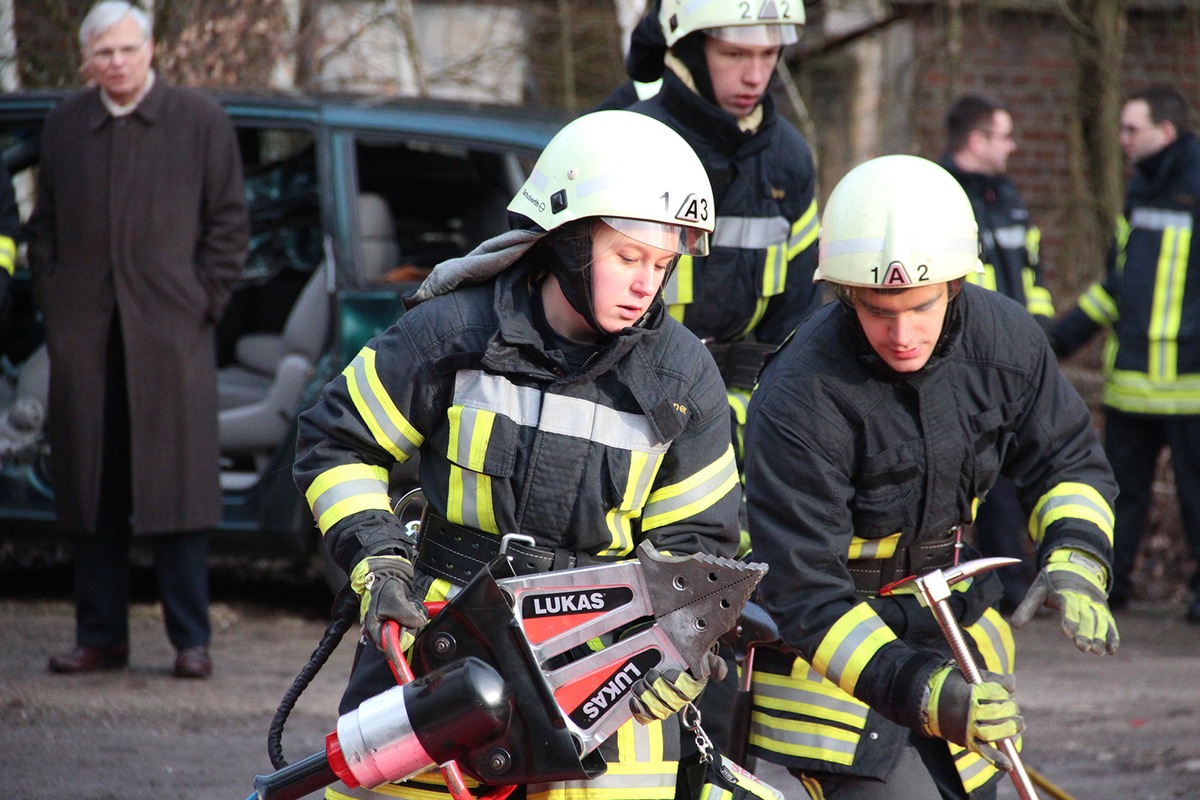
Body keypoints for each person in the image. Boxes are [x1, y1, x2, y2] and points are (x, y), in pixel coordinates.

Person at [293, 109, 741, 800]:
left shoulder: (683, 381)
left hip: (609, 702)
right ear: (566, 240)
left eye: (662, 262)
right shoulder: (453, 333)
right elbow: (338, 442)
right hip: (445, 664)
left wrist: (682, 644)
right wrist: (379, 557)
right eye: (628, 257)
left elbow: (699, 549)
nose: (646, 284)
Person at [743, 155, 1120, 799]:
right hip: (838, 676)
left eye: (920, 307)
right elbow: (804, 589)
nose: (901, 334)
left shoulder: (1006, 342)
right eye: (877, 310)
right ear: (845, 293)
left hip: (960, 644)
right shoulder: (800, 393)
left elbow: (1066, 459)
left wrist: (1076, 558)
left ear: (955, 283)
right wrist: (923, 692)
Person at [29, 1, 248, 678]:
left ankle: (191, 641)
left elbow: (230, 225)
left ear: (151, 51)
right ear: (86, 59)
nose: (117, 62)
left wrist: (199, 304)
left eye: (127, 49)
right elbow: (45, 230)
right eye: (104, 53)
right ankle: (101, 637)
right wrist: (58, 306)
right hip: (86, 343)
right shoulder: (65, 123)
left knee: (178, 497)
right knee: (94, 494)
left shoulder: (200, 119)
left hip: (171, 341)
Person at [1051, 86, 1200, 622]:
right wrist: (1061, 337)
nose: (1122, 139)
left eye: (1132, 128)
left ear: (1165, 131)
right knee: (1119, 494)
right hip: (1131, 379)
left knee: (1195, 500)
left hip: (1190, 384)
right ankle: (1111, 587)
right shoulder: (1140, 187)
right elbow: (1119, 282)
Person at [940, 92, 1055, 614]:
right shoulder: (941, 196)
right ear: (977, 139)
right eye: (1004, 136)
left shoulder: (1007, 196)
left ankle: (1014, 583)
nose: (1012, 147)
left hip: (1014, 363)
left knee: (1014, 474)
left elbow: (1030, 274)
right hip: (963, 363)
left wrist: (1040, 337)